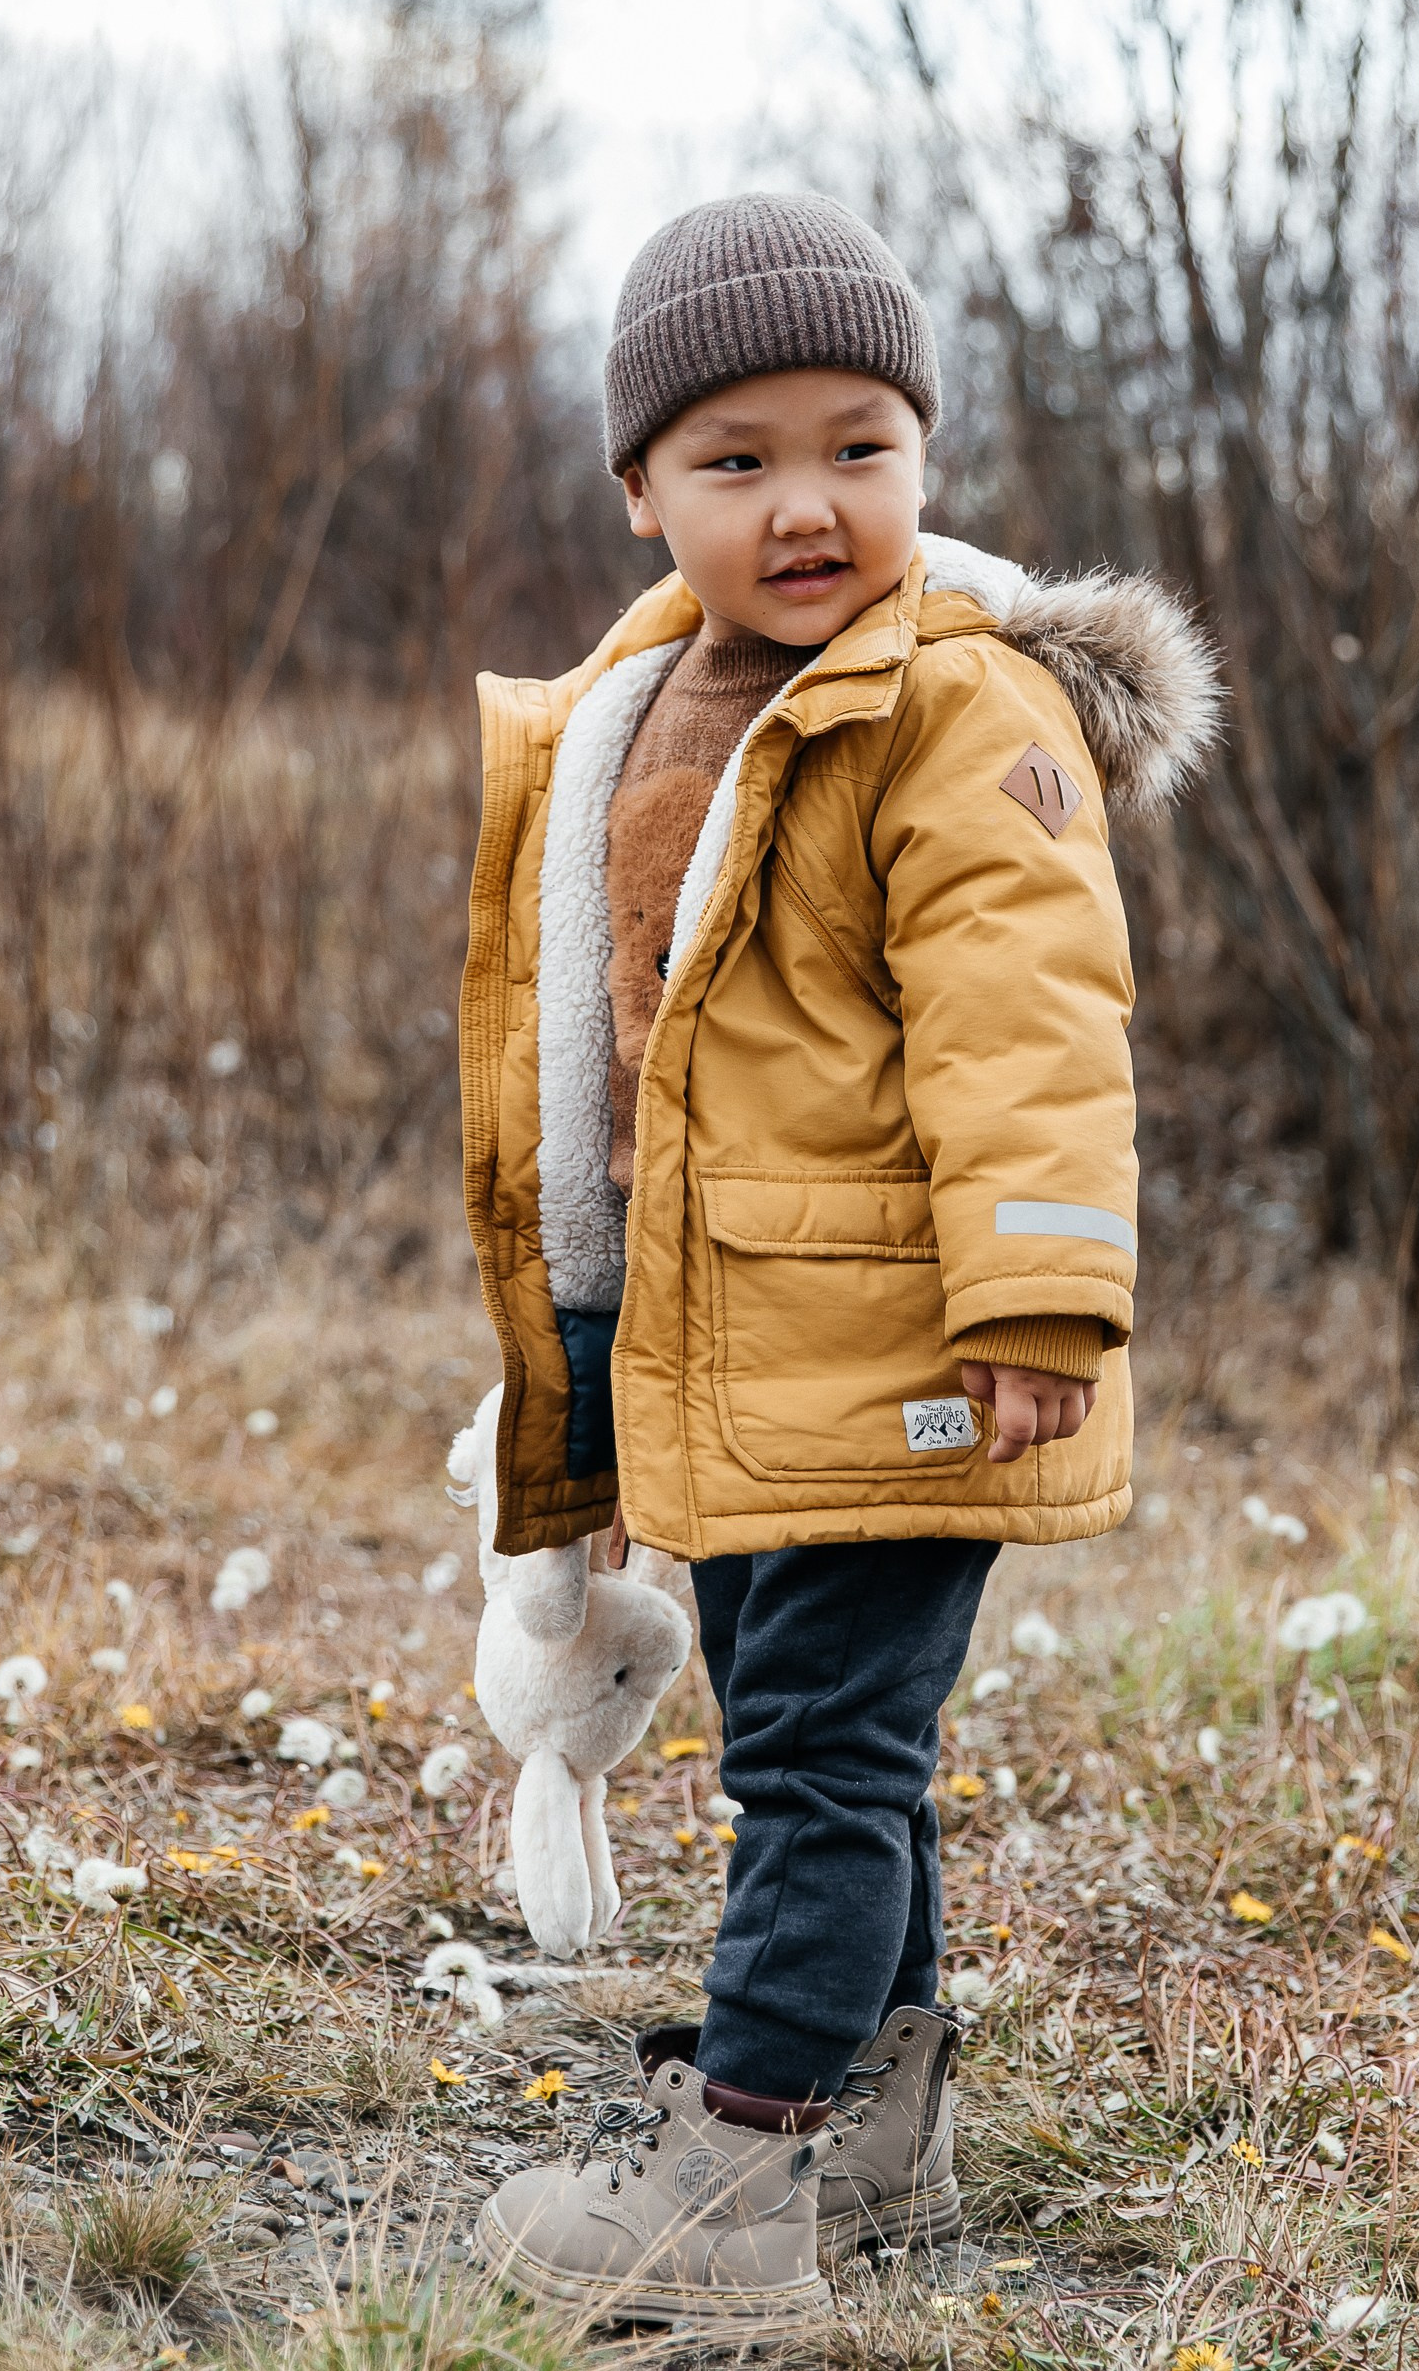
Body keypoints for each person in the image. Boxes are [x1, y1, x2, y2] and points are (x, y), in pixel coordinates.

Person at [457, 192, 1218, 2330]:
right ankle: (875, 2114)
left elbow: (1035, 1017)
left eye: (859, 444)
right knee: (838, 1745)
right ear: (639, 493)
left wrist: (1045, 1296)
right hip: (746, 1343)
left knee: (816, 1758)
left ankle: (743, 2173)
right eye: (740, 457)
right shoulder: (638, 707)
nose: (809, 503)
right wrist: (588, 1352)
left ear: (926, 456)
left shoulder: (953, 710)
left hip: (906, 1347)